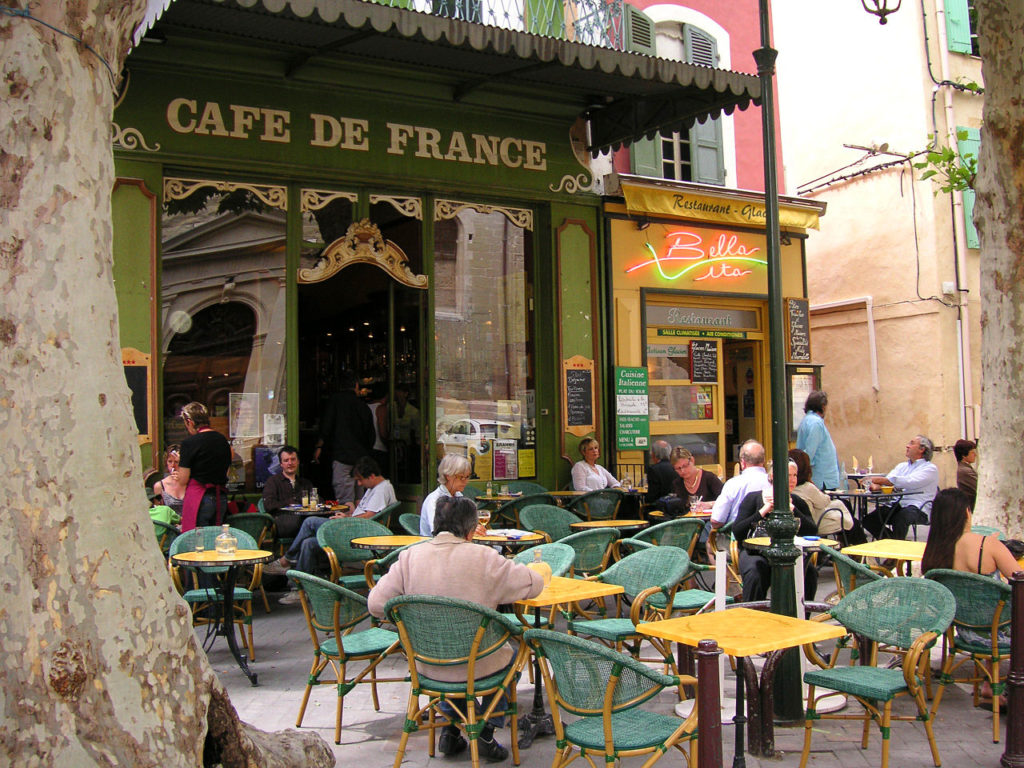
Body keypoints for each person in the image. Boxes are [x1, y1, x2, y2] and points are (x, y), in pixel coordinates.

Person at [368, 496, 546, 761]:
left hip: (427, 664)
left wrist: (409, 619)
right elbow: (534, 585)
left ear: (435, 524)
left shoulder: (409, 557)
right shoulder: (485, 558)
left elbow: (376, 604)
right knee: (513, 656)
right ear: (471, 529)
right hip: (477, 662)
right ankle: (484, 730)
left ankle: (452, 729)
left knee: (461, 654)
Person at [921, 488, 1017, 708]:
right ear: (966, 512)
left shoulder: (935, 551)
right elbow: (1019, 580)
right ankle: (1005, 688)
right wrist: (998, 548)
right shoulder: (986, 544)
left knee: (987, 610)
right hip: (1001, 632)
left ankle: (988, 684)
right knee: (1002, 611)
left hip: (964, 631)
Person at [265, 457, 397, 603]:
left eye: (360, 480)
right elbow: (365, 514)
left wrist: (345, 519)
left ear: (371, 476)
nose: (359, 484)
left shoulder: (382, 489)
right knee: (308, 543)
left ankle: (286, 560)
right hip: (351, 528)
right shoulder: (374, 488)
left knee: (310, 522)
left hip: (356, 534)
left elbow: (369, 516)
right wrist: (347, 515)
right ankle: (300, 590)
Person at [732, 460, 819, 603]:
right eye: (787, 475)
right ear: (772, 477)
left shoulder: (797, 501)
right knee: (755, 572)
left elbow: (812, 531)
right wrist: (763, 510)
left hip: (789, 553)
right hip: (755, 552)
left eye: (794, 475)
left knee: (809, 573)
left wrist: (794, 510)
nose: (791, 480)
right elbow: (738, 531)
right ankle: (752, 616)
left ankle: (801, 617)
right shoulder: (753, 498)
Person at [861, 435, 940, 540]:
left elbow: (907, 482)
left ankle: (896, 550)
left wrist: (876, 480)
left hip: (919, 507)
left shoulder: (930, 469)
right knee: (869, 520)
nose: (907, 446)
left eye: (911, 443)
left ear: (922, 449)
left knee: (901, 518)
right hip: (898, 504)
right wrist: (876, 486)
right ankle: (892, 543)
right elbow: (888, 482)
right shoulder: (902, 466)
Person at [315, 370, 375, 505]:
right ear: (356, 386)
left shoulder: (334, 401)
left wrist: (319, 446)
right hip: (360, 458)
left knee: (345, 501)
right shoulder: (362, 406)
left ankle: (348, 523)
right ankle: (359, 523)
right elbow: (371, 435)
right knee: (360, 499)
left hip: (342, 457)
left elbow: (326, 426)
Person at [707, 439, 771, 560]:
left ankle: (728, 578)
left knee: (710, 545)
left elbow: (716, 520)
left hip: (737, 543)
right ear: (763, 460)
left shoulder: (733, 484)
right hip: (769, 541)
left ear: (742, 462)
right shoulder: (772, 483)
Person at [177, 402, 232, 531]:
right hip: (220, 498)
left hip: (200, 499)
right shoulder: (222, 440)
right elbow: (227, 470)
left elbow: (183, 480)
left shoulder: (189, 443)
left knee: (198, 542)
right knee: (215, 540)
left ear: (189, 422)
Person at [789, 448, 862, 542]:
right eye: (790, 475)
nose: (792, 479)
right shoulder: (806, 488)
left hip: (808, 523)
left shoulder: (790, 489)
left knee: (844, 508)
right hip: (812, 525)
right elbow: (823, 503)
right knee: (851, 520)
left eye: (794, 475)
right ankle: (858, 552)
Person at [260, 444, 314, 543]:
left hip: (304, 518)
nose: (290, 463)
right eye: (286, 460)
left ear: (298, 462)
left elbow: (317, 500)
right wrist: (291, 502)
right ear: (281, 464)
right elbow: (269, 505)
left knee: (317, 523)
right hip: (282, 521)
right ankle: (292, 555)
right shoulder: (273, 482)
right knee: (307, 524)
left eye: (293, 459)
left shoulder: (305, 483)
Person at [795, 390, 840, 490]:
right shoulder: (816, 423)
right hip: (821, 477)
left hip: (819, 477)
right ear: (823, 406)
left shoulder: (807, 420)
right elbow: (810, 452)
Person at [420, 453, 472, 537]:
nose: (465, 481)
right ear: (448, 476)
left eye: (467, 477)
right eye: (461, 477)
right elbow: (438, 532)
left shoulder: (459, 497)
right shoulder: (434, 500)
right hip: (436, 546)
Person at [669, 446, 724, 513]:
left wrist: (708, 504)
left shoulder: (709, 478)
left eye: (685, 466)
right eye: (678, 468)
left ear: (692, 460)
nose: (682, 471)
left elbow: (726, 501)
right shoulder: (677, 484)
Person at [151, 444, 185, 520]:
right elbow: (160, 513)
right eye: (170, 461)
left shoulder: (190, 483)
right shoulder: (160, 486)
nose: (173, 465)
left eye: (177, 462)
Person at [954, 439, 978, 507]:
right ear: (964, 455)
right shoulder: (965, 471)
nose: (975, 455)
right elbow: (979, 487)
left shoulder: (966, 469)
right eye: (972, 453)